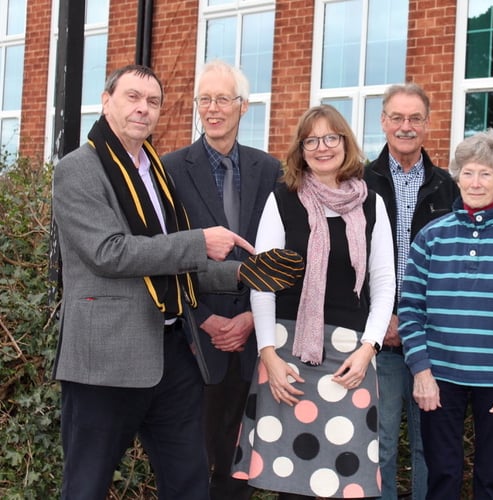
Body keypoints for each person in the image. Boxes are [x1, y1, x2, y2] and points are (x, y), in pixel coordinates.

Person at [52, 64, 256, 500]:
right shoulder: (79, 169)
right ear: (106, 102)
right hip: (103, 362)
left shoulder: (155, 170)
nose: (143, 109)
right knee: (85, 487)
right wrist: (199, 241)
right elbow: (110, 252)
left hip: (171, 353)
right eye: (132, 98)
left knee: (189, 482)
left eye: (154, 102)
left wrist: (244, 273)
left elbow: (172, 266)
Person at [231, 104, 395, 498]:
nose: (323, 147)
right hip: (289, 355)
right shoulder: (283, 199)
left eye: (331, 137)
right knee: (291, 481)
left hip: (350, 358)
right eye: (312, 140)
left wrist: (368, 348)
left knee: (345, 481)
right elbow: (263, 280)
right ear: (301, 150)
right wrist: (267, 353)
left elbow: (385, 282)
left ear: (345, 143)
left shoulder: (371, 203)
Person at [399, 129, 493, 500]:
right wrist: (421, 372)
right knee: (442, 476)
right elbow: (410, 309)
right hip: (440, 378)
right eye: (468, 172)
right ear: (456, 176)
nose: (476, 182)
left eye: (486, 174)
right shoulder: (431, 237)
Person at [163, 60, 281, 500]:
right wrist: (204, 317)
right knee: (188, 464)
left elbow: (282, 254)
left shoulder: (269, 170)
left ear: (243, 107)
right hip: (193, 340)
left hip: (252, 341)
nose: (213, 109)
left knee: (239, 469)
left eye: (222, 100)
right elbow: (164, 252)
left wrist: (252, 316)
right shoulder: (170, 169)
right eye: (204, 100)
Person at [364, 82, 458, 500]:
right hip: (377, 339)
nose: (406, 126)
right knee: (378, 444)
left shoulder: (448, 188)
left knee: (429, 448)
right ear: (383, 122)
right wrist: (380, 319)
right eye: (397, 118)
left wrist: (419, 324)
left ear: (427, 124)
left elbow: (458, 270)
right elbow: (349, 262)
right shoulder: (359, 182)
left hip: (433, 342)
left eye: (415, 118)